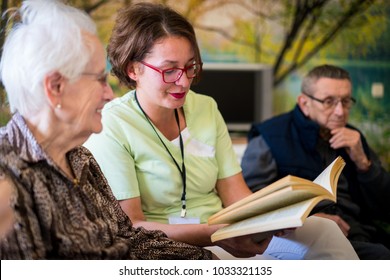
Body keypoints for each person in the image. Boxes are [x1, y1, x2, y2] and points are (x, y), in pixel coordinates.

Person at [84, 3, 358, 260]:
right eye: (169, 70)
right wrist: (215, 234)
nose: (183, 82)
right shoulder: (113, 125)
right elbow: (132, 226)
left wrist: (286, 216)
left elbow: (236, 195)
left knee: (324, 231)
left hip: (228, 231)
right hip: (175, 245)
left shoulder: (205, 107)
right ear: (134, 69)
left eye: (190, 66)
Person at [0, 0, 213, 260]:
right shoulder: (7, 175)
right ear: (55, 87)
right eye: (100, 79)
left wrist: (204, 261)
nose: (109, 94)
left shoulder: (80, 158)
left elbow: (128, 239)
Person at [241, 64, 390, 260]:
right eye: (329, 101)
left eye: (345, 101)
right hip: (303, 237)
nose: (339, 112)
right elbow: (250, 201)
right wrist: (310, 220)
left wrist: (364, 164)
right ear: (304, 103)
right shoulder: (269, 136)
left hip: (361, 232)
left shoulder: (355, 138)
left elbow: (385, 206)